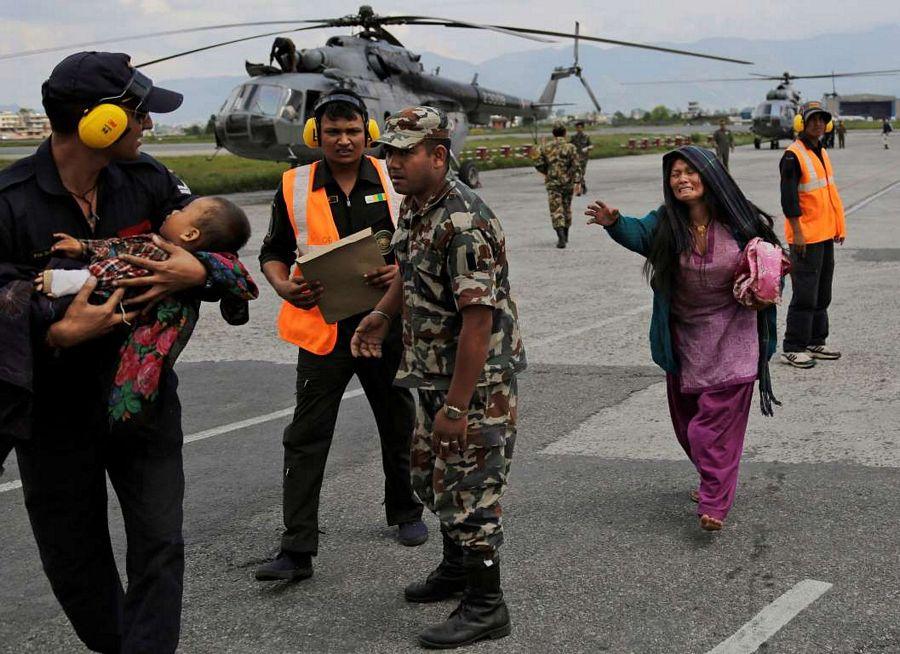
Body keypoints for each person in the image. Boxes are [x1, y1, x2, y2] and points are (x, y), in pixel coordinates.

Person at [0, 51, 233, 653]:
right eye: (138, 115)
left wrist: (195, 269)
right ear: (97, 120)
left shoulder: (151, 181)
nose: (148, 127)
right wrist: (53, 333)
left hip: (143, 403)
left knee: (159, 545)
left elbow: (220, 249)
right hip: (51, 417)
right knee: (75, 562)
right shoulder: (9, 199)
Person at [352, 106, 526, 648]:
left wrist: (457, 406)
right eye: (390, 153)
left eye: (405, 153)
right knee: (433, 478)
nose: (394, 163)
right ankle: (455, 570)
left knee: (472, 490)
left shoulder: (463, 221)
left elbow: (479, 321)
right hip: (431, 375)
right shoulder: (416, 207)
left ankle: (486, 604)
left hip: (474, 385)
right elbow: (407, 271)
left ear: (438, 155)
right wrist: (382, 313)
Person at [255, 89, 426, 582]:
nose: (344, 140)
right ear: (316, 136)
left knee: (397, 422)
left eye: (353, 131)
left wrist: (398, 273)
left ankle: (405, 511)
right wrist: (284, 286)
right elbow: (274, 250)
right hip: (323, 330)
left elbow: (419, 246)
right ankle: (297, 547)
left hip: (384, 323)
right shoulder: (294, 184)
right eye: (333, 132)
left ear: (369, 133)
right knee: (306, 436)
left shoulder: (393, 180)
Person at [585, 145, 781, 531]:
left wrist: (766, 279)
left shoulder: (742, 221)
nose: (682, 180)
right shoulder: (666, 222)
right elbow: (639, 234)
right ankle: (714, 475)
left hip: (735, 334)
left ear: (711, 177)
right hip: (685, 338)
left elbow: (773, 262)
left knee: (711, 427)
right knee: (687, 424)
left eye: (690, 172)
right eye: (675, 174)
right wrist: (615, 223)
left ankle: (714, 503)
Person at [33, 197, 257, 424]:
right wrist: (83, 247)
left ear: (190, 234)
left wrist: (67, 278)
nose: (173, 211)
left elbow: (118, 264)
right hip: (123, 354)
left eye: (183, 211)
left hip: (126, 345)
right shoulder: (161, 249)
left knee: (130, 400)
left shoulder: (160, 252)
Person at [779, 101, 846, 368]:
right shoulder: (792, 155)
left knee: (822, 292)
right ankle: (793, 346)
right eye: (813, 119)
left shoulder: (821, 151)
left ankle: (816, 340)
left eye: (822, 119)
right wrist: (798, 233)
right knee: (805, 293)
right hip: (805, 236)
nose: (818, 124)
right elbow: (789, 200)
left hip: (824, 234)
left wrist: (838, 228)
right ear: (801, 123)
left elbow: (828, 194)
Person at [535, 121, 582, 249]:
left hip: (553, 183)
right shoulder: (571, 147)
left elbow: (538, 163)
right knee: (566, 208)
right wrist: (577, 181)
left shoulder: (546, 147)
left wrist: (548, 172)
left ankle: (560, 237)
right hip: (568, 183)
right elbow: (576, 166)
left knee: (556, 209)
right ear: (565, 133)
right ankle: (566, 235)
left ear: (553, 133)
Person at [569, 120, 592, 194]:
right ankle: (582, 185)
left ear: (583, 128)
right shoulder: (573, 137)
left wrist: (587, 148)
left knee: (581, 172)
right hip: (575, 158)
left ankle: (582, 185)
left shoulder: (586, 137)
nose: (578, 129)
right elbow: (569, 145)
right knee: (577, 173)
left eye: (580, 127)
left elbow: (591, 145)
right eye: (577, 127)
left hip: (584, 158)